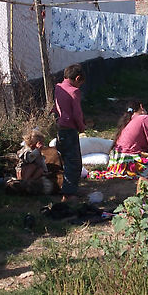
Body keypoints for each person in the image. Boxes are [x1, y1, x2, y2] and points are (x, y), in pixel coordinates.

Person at [54, 64, 86, 201]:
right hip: (70, 129)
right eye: (80, 83)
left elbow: (56, 106)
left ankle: (65, 189)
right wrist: (81, 126)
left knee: (65, 160)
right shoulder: (74, 92)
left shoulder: (58, 87)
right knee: (74, 162)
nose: (79, 87)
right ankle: (69, 194)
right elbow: (77, 113)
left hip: (60, 128)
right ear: (78, 78)